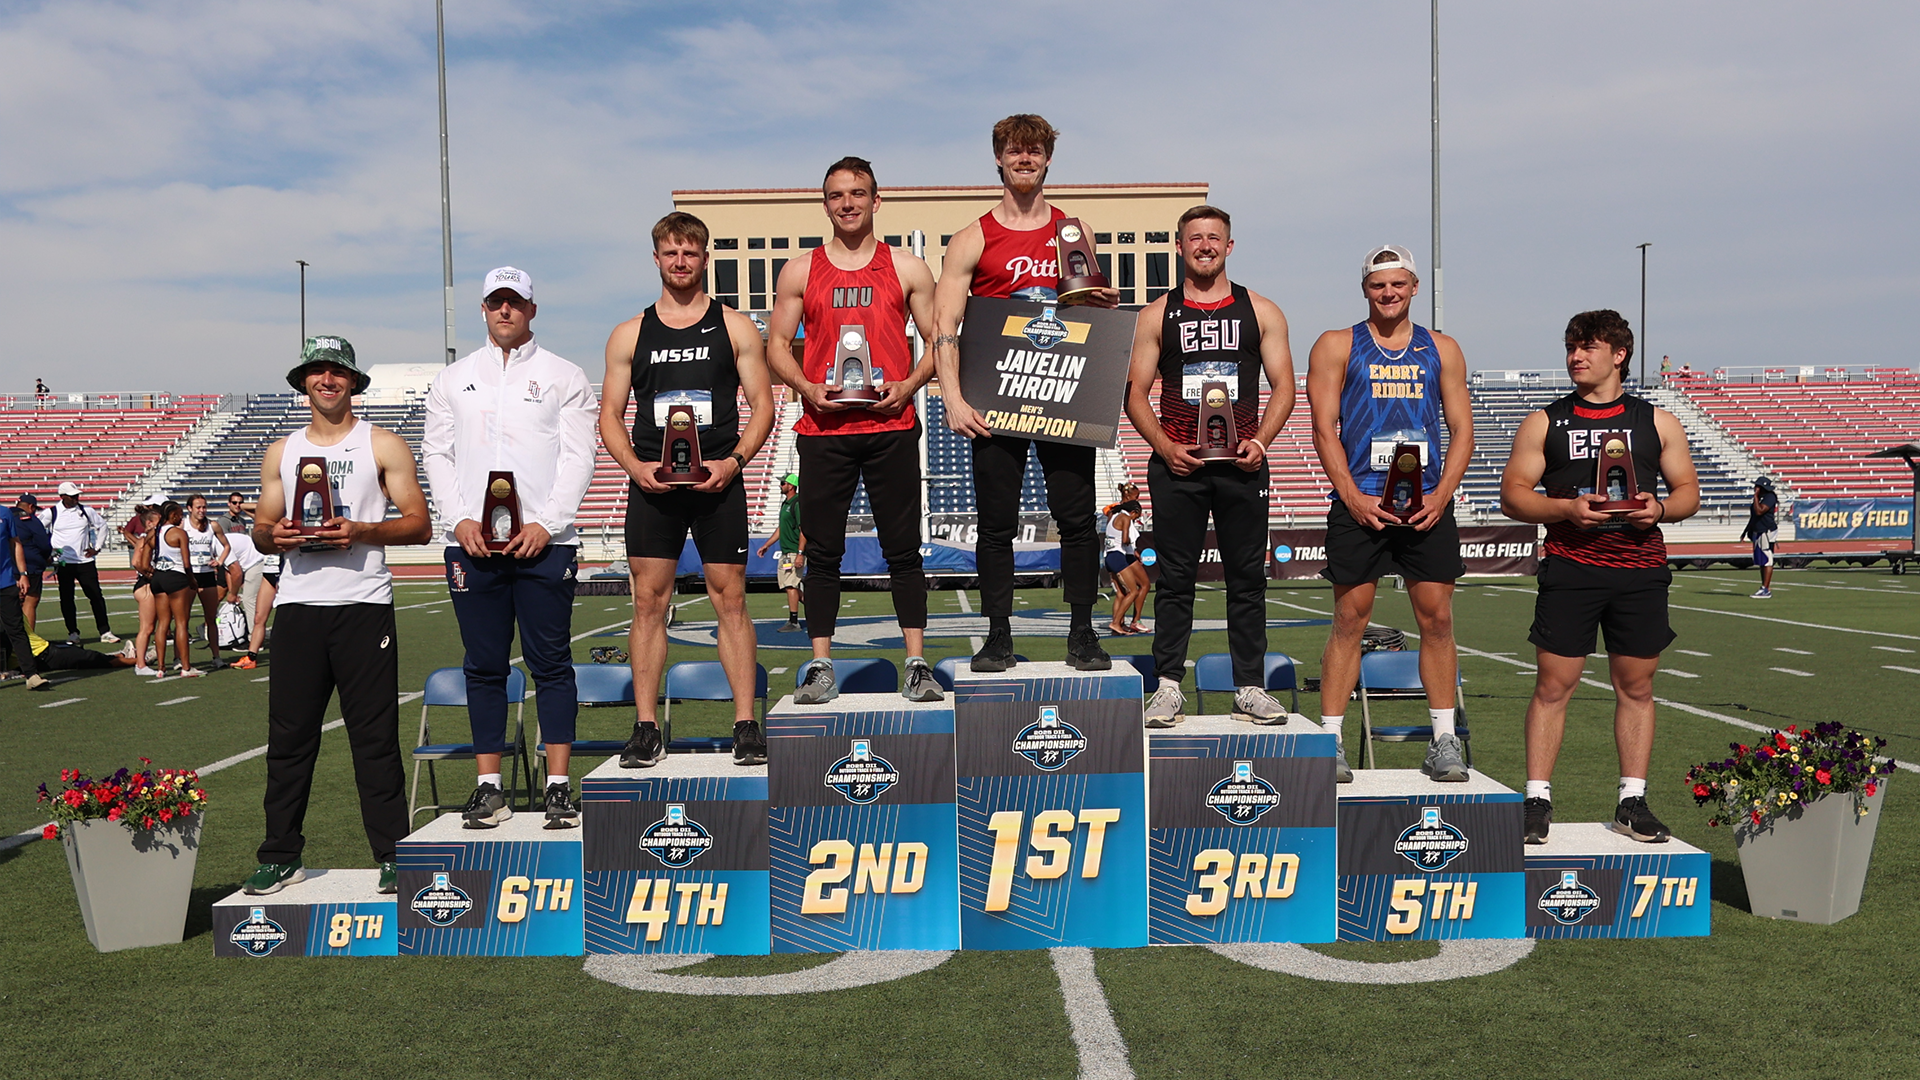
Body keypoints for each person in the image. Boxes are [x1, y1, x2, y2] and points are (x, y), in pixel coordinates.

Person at [1500, 309, 1700, 845]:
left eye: (1587, 347)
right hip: (1572, 569)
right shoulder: (1547, 420)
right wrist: (1565, 510)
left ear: (1620, 354)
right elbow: (1513, 492)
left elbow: (1687, 493)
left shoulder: (1656, 421)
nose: (1575, 357)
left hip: (1639, 571)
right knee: (1553, 686)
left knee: (1636, 687)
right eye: (1570, 347)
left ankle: (1631, 800)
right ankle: (1537, 800)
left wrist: (1658, 510)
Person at [242, 335, 432, 896]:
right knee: (289, 739)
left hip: (363, 606)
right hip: (299, 607)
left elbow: (418, 523)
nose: (327, 380)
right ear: (303, 382)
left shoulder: (383, 444)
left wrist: (363, 530)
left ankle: (395, 855)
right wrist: (271, 534)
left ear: (353, 381)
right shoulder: (282, 451)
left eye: (338, 372)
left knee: (374, 739)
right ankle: (280, 855)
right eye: (317, 372)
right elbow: (262, 526)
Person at [930, 113, 1116, 673]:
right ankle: (998, 635)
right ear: (998, 159)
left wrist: (1100, 305)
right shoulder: (973, 238)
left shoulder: (1072, 231)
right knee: (995, 523)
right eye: (1014, 151)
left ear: (1048, 160)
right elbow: (944, 324)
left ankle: (1082, 632)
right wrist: (953, 398)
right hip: (996, 394)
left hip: (1061, 394)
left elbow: (1091, 314)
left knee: (1079, 518)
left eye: (1034, 151)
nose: (1025, 159)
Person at [423, 265, 598, 828]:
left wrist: (548, 521)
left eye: (515, 302)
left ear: (532, 309)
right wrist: (457, 520)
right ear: (483, 310)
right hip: (473, 545)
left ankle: (558, 788)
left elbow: (579, 457)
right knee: (483, 666)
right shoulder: (453, 379)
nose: (505, 311)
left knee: (551, 664)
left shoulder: (564, 375)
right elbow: (437, 456)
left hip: (546, 545)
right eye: (495, 302)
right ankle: (489, 786)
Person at [601, 213, 776, 768]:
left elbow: (763, 406)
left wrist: (734, 462)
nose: (681, 262)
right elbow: (608, 415)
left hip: (717, 484)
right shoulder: (631, 332)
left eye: (691, 253)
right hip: (655, 486)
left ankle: (745, 724)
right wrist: (634, 466)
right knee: (649, 604)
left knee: (732, 600)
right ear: (656, 258)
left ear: (705, 258)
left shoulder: (737, 326)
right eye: (670, 253)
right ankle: (647, 726)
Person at [767, 157, 944, 704]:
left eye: (858, 193)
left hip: (892, 422)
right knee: (822, 552)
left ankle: (916, 662)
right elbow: (776, 346)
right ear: (825, 203)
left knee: (903, 551)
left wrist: (911, 384)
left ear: (876, 200)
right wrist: (807, 387)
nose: (848, 203)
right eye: (837, 195)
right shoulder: (800, 270)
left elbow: (941, 342)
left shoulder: (908, 267)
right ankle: (820, 665)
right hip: (824, 429)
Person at [1124, 206, 1297, 727]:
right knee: (1175, 579)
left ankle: (1249, 686)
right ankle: (1169, 685)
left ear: (1229, 245)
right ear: (1179, 247)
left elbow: (1284, 387)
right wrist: (1163, 445)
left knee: (1248, 579)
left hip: (1242, 464)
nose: (1204, 245)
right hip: (1179, 466)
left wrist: (1262, 441)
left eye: (1213, 238)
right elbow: (1135, 394)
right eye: (1194, 238)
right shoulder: (1157, 314)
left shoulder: (1260, 310)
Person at [1307, 244, 1473, 782]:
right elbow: (1322, 428)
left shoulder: (1441, 348)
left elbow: (1462, 429)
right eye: (1379, 285)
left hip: (1424, 504)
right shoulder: (1337, 345)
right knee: (1350, 620)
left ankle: (1443, 740)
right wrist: (1352, 496)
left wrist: (1442, 495)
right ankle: (1329, 740)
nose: (1389, 293)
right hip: (1363, 503)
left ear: (1415, 287)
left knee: (1438, 619)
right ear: (1365, 290)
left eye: (1399, 283)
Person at [40, 482, 116, 645]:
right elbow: (38, 531)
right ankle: (73, 632)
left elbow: (102, 526)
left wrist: (97, 548)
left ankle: (105, 631)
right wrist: (48, 552)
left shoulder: (86, 511)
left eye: (77, 495)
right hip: (63, 563)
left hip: (85, 561)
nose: (76, 498)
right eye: (72, 495)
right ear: (62, 497)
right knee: (66, 598)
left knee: (95, 595)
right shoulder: (51, 513)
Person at [1, 498, 50, 689]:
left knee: (17, 629)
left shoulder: (5, 514)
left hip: (4, 581)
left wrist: (22, 573)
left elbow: (16, 544)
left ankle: (31, 674)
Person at [150, 501, 200, 679]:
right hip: (176, 577)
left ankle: (161, 667)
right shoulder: (179, 533)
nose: (181, 517)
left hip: (158, 577)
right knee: (181, 623)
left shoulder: (156, 531)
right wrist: (192, 580)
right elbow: (186, 563)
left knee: (162, 624)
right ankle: (186, 666)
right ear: (172, 515)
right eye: (179, 514)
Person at [183, 494, 231, 665]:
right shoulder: (183, 525)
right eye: (198, 507)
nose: (202, 510)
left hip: (207, 574)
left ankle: (216, 657)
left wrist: (219, 560)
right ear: (189, 508)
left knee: (211, 618)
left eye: (204, 507)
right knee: (183, 619)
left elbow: (226, 546)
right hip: (189, 575)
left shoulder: (213, 525)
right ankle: (179, 658)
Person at [754, 473, 806, 632]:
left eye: (783, 483)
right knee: (789, 584)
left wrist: (800, 553)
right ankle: (816, 608)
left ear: (791, 486)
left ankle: (794, 621)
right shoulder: (786, 504)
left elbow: (803, 529)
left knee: (791, 585)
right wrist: (767, 545)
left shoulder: (796, 503)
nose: (780, 485)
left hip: (793, 551)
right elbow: (781, 528)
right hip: (786, 552)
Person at [1102, 492, 1150, 636]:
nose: (1136, 519)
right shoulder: (1126, 518)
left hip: (1109, 556)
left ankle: (1117, 625)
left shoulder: (1113, 516)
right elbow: (1124, 540)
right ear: (1134, 512)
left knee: (1122, 594)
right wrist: (1130, 541)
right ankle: (1117, 623)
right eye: (1137, 516)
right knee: (1133, 591)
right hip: (1118, 556)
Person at [224, 526, 267, 668]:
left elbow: (235, 572)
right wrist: (232, 591)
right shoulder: (219, 543)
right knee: (250, 599)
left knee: (250, 600)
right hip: (249, 563)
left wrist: (233, 593)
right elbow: (228, 571)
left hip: (256, 561)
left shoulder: (220, 545)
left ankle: (253, 641)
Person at [128, 505, 163, 677]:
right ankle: (140, 664)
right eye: (158, 521)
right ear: (149, 523)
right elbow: (136, 562)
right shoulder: (144, 539)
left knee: (160, 626)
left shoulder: (158, 538)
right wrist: (150, 574)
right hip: (146, 585)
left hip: (154, 584)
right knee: (147, 628)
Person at [13, 494, 52, 632]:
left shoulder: (6, 516)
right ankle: (28, 639)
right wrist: (48, 557)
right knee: (30, 600)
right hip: (30, 566)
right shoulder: (30, 520)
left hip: (6, 566)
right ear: (31, 507)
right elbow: (44, 544)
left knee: (10, 603)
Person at [1742, 476, 1779, 599]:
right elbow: (1754, 517)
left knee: (1767, 559)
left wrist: (1756, 496)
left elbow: (1759, 511)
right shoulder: (1761, 498)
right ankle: (1764, 587)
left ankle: (1766, 589)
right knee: (1761, 560)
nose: (1755, 488)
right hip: (1758, 531)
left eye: (1757, 486)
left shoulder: (1769, 497)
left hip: (1766, 531)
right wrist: (1746, 531)